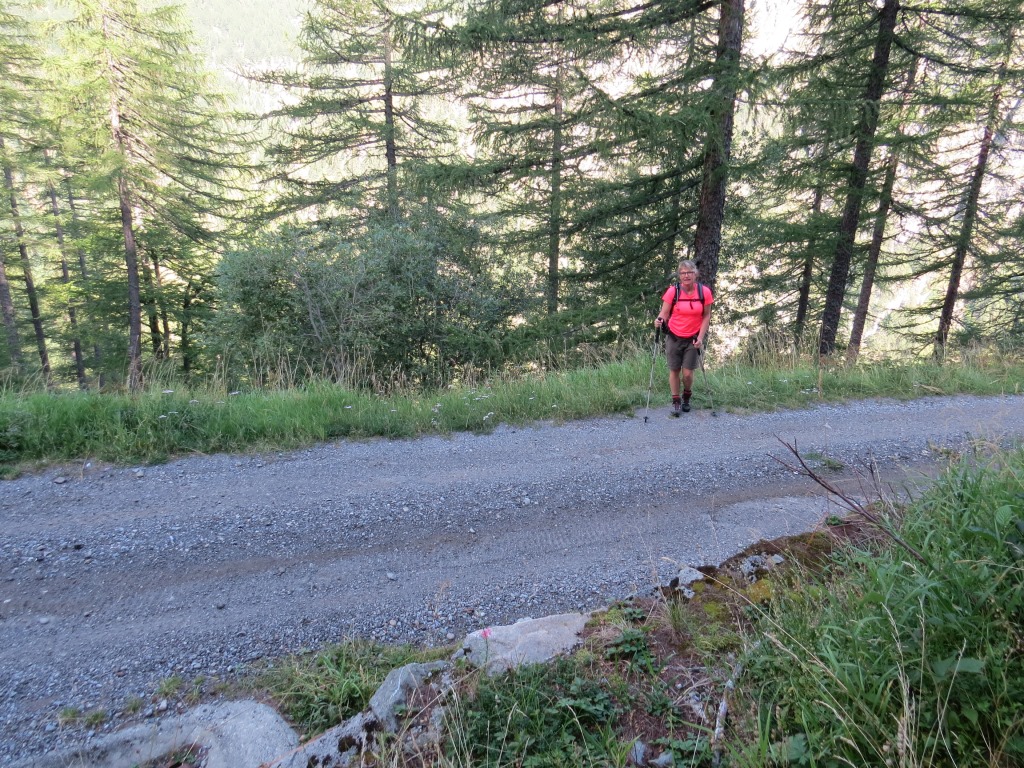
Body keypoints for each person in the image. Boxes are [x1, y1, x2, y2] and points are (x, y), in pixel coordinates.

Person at [655, 260, 713, 416]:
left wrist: (700, 337)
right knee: (674, 370)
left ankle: (686, 395)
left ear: (695, 274)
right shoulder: (672, 291)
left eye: (689, 272)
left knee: (687, 373)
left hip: (693, 338)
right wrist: (659, 320)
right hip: (674, 336)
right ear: (679, 275)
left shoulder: (704, 292)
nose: (686, 276)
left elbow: (706, 316)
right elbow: (664, 313)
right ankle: (676, 400)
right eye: (683, 273)